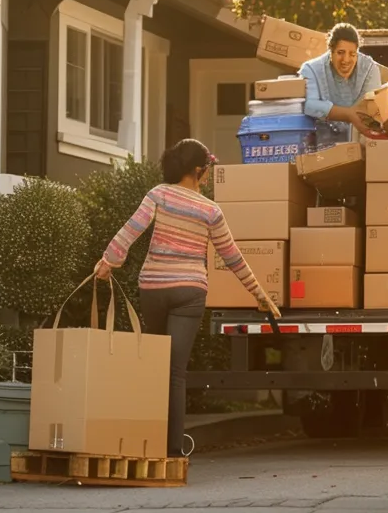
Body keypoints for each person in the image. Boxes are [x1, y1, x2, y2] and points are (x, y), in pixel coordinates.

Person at [94, 139, 281, 456]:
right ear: (198, 170)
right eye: (208, 169)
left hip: (153, 287)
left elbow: (131, 229)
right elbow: (232, 257)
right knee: (175, 373)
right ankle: (174, 450)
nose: (208, 175)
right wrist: (260, 294)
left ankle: (147, 443)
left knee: (153, 365)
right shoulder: (211, 210)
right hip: (189, 291)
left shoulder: (158, 194)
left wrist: (108, 261)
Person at [299, 23, 382, 143]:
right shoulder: (311, 69)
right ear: (331, 50)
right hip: (322, 145)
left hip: (360, 142)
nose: (346, 60)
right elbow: (309, 106)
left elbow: (373, 107)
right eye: (340, 52)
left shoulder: (369, 68)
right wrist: (348, 114)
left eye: (352, 54)